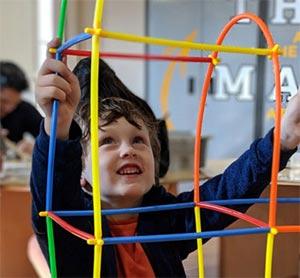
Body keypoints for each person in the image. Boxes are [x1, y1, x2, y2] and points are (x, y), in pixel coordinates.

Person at [31, 39, 299, 277]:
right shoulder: (70, 231)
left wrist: (283, 139)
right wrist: (58, 123)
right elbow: (52, 191)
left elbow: (229, 191)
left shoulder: (167, 221)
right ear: (82, 174)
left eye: (138, 140)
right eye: (107, 141)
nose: (128, 150)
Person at [0, 61, 42, 155]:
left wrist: (37, 149)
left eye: (14, 103)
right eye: (4, 101)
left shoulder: (24, 109)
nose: (9, 109)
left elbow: (50, 138)